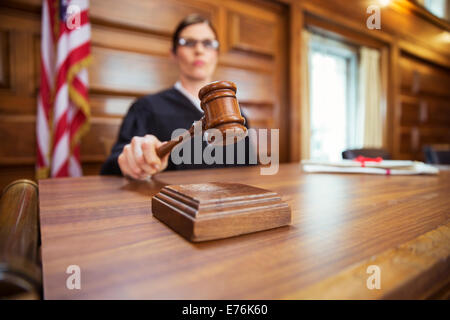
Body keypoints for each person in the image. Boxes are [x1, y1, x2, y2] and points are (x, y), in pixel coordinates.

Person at [100, 14, 253, 179]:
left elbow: (248, 170)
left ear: (216, 54)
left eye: (208, 43)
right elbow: (114, 165)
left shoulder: (236, 115)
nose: (199, 50)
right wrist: (135, 159)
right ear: (173, 53)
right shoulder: (146, 108)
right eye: (188, 42)